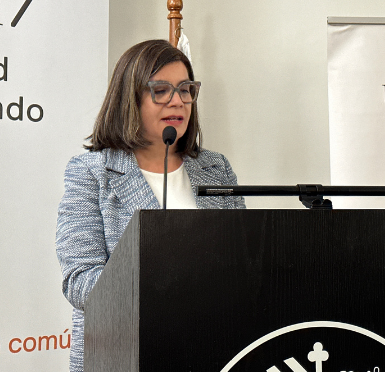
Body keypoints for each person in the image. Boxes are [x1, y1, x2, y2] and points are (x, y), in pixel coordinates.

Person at [56, 39, 245, 372]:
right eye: (161, 90)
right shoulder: (91, 172)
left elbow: (243, 260)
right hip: (124, 354)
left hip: (210, 348)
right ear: (129, 99)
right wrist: (163, 290)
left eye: (186, 89)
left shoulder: (216, 168)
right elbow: (80, 281)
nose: (178, 100)